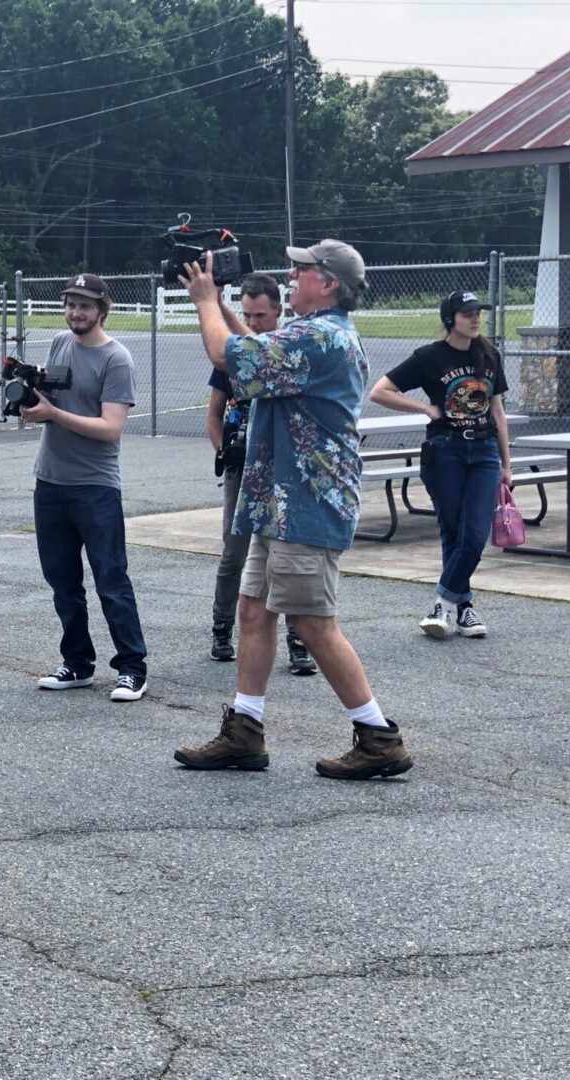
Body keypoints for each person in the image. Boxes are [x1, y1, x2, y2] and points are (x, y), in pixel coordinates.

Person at [174, 241, 412, 781]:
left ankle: (378, 736)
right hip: (278, 501)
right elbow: (255, 346)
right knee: (254, 610)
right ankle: (245, 731)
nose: (291, 273)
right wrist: (223, 308)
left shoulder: (321, 336)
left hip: (305, 502)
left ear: (327, 283)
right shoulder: (310, 334)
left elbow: (227, 356)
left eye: (301, 269)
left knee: (312, 621)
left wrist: (205, 300)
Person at [22, 273, 149, 702]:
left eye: (85, 306)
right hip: (50, 481)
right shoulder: (60, 343)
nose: (77, 312)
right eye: (71, 304)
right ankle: (77, 662)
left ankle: (132, 667)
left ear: (101, 309)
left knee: (111, 580)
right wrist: (28, 396)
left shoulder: (117, 359)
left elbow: (110, 428)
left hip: (95, 486)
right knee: (62, 581)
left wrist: (53, 415)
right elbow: (50, 396)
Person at [369, 291, 512, 639]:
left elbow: (497, 411)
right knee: (452, 530)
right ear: (451, 319)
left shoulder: (489, 355)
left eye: (478, 313)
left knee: (476, 534)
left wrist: (507, 464)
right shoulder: (430, 357)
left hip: (483, 453)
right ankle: (464, 610)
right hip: (444, 452)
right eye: (467, 314)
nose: (475, 319)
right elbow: (380, 391)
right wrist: (425, 409)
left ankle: (442, 604)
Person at [204, 272, 317, 676]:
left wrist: (217, 307)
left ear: (278, 312)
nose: (253, 325)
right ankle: (222, 629)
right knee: (234, 552)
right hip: (242, 466)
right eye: (247, 316)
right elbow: (213, 416)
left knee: (285, 556)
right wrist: (225, 449)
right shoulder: (232, 358)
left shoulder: (284, 352)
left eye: (261, 316)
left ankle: (298, 641)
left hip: (281, 469)